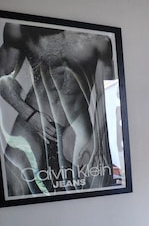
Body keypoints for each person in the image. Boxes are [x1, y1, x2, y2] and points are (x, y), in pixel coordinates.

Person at [0, 22, 116, 196]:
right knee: (13, 188)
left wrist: (97, 142)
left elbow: (106, 93)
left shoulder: (99, 40)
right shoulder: (20, 28)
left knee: (97, 187)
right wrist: (29, 115)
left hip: (77, 126)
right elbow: (2, 75)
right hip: (34, 121)